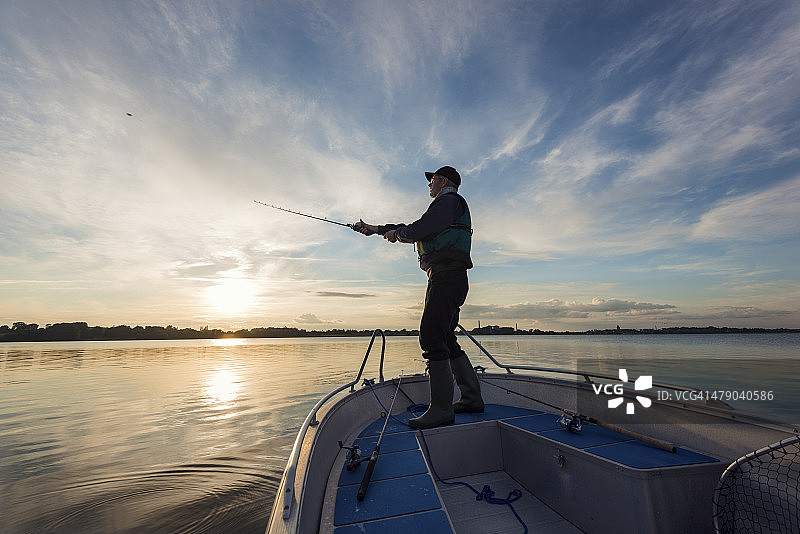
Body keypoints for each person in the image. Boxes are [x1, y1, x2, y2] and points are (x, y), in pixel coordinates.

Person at [353, 165, 484, 429]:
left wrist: (398, 235)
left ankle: (441, 410)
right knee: (445, 337)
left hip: (447, 276)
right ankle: (471, 399)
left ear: (443, 180)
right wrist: (376, 229)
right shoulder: (448, 205)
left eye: (432, 179)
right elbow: (417, 227)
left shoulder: (448, 201)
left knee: (432, 336)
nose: (429, 185)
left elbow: (420, 228)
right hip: (447, 276)